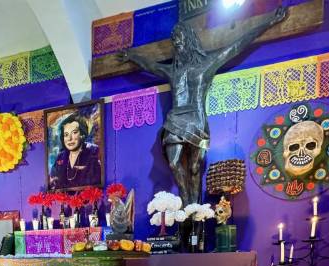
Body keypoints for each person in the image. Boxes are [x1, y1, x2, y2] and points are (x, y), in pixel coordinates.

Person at [118, 7, 286, 204]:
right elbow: (151, 66)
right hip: (175, 119)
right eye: (174, 40)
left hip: (197, 119)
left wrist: (268, 22)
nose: (177, 42)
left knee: (195, 167)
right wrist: (132, 57)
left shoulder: (207, 64)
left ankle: (195, 210)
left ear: (189, 39)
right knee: (173, 164)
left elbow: (237, 46)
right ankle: (186, 205)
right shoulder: (173, 71)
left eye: (180, 38)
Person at [49, 113, 102, 189]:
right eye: (66, 135)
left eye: (74, 133)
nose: (69, 138)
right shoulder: (61, 156)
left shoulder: (93, 151)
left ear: (82, 134)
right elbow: (53, 181)